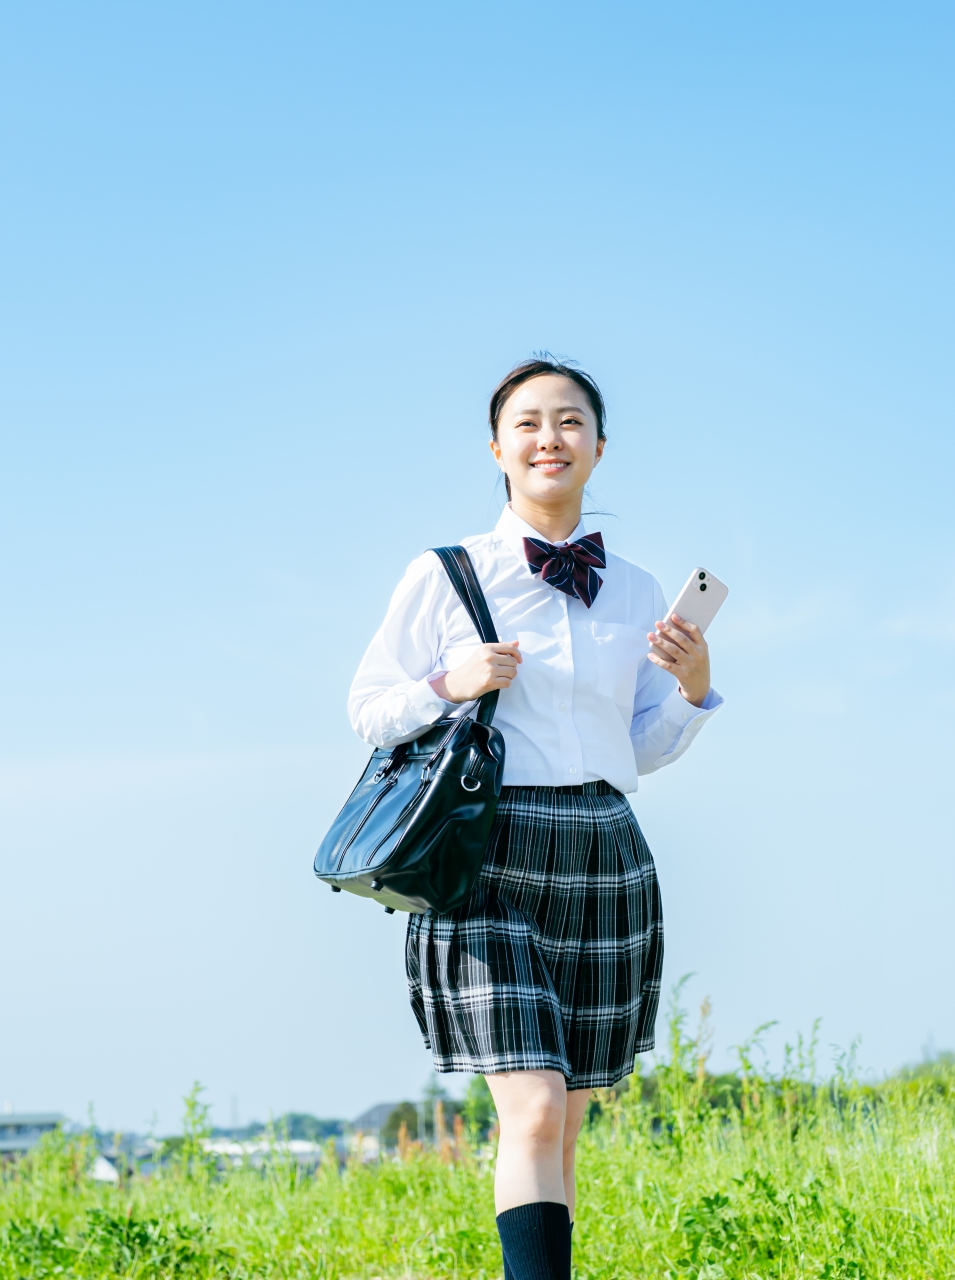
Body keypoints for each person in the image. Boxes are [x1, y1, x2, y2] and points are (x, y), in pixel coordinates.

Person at [347, 358, 722, 1279]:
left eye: (569, 421)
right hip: (485, 850)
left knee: (566, 1124)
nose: (549, 438)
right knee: (536, 1109)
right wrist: (451, 683)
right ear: (497, 449)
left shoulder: (636, 589)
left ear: (599, 446)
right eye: (528, 423)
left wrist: (692, 690)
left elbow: (639, 748)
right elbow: (369, 708)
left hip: (603, 851)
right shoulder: (447, 574)